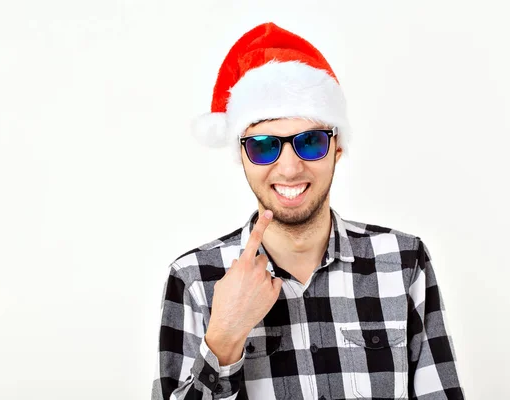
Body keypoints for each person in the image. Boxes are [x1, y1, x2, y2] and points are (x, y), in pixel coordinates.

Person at [152, 22, 464, 400]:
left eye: (311, 142)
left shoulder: (402, 261)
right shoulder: (195, 280)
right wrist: (223, 338)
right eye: (265, 146)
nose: (288, 168)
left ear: (338, 147)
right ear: (242, 156)